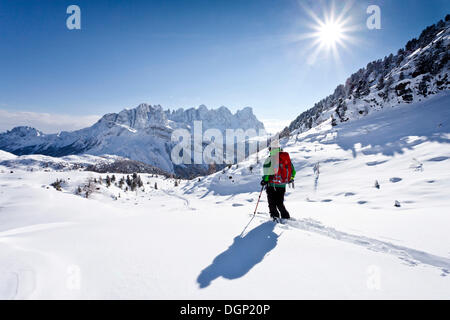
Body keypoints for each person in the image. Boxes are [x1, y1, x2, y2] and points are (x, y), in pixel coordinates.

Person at [260, 141, 296, 221]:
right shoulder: (285, 158)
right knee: (279, 202)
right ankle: (286, 217)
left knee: (272, 203)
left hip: (272, 185)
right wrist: (291, 178)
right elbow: (293, 171)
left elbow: (267, 172)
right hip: (282, 184)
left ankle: (274, 217)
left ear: (270, 149)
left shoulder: (270, 159)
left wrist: (264, 180)